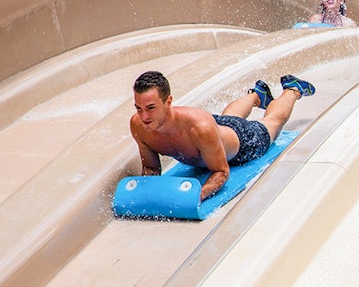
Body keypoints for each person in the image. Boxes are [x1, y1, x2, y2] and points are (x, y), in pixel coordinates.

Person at [130, 70, 314, 201]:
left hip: (243, 142)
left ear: (168, 101)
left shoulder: (198, 127)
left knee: (272, 122)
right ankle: (256, 96)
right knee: (227, 119)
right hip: (216, 131)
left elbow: (221, 172)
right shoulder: (139, 126)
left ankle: (292, 89)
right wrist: (144, 193)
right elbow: (151, 168)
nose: (144, 116)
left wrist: (197, 195)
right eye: (139, 108)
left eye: (151, 108)